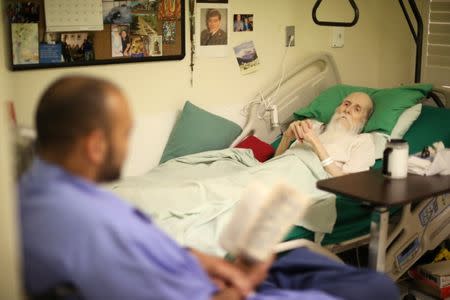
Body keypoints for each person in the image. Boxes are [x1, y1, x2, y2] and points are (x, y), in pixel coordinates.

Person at [19, 76, 399, 300]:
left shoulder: (51, 193)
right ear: (94, 145)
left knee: (305, 259)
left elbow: (345, 181)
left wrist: (209, 261)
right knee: (376, 289)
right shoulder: (81, 235)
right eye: (125, 135)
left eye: (356, 109)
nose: (346, 110)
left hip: (306, 183)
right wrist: (234, 283)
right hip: (216, 287)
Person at [275, 92, 376, 177]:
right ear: (337, 108)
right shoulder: (313, 126)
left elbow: (348, 183)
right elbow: (276, 162)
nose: (347, 110)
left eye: (357, 109)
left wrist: (316, 143)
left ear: (364, 121)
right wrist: (286, 138)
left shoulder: (363, 141)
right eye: (346, 104)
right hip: (274, 171)